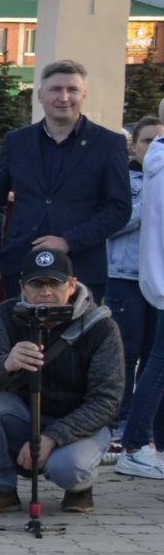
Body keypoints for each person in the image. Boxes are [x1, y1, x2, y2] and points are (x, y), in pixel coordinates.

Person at [0, 248, 121, 516]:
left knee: (67, 469)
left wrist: (51, 438)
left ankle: (80, 487)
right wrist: (6, 365)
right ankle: (0, 489)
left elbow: (108, 401)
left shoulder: (101, 328)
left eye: (54, 283)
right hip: (26, 415)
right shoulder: (6, 314)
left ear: (71, 285)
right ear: (23, 287)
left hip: (80, 426)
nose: (45, 292)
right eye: (36, 284)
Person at [0, 61, 131, 301]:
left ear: (84, 95)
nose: (64, 97)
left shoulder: (108, 144)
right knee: (22, 339)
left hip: (82, 269)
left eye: (72, 90)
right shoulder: (16, 142)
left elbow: (119, 208)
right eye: (55, 89)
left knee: (78, 339)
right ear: (40, 95)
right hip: (20, 266)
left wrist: (69, 241)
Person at [106, 117, 162, 430]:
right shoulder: (123, 180)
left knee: (156, 356)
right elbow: (114, 221)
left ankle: (147, 421)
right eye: (147, 141)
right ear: (135, 145)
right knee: (125, 353)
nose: (154, 148)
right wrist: (151, 202)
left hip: (160, 282)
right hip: (125, 278)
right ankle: (120, 418)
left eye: (160, 141)